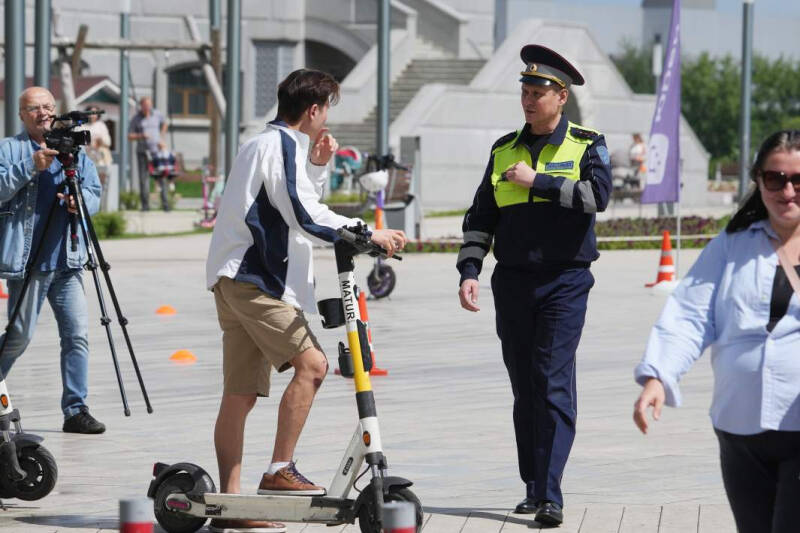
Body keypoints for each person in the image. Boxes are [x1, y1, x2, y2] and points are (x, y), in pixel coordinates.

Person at [205, 69, 407, 533]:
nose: (326, 119)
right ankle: (279, 470)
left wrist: (316, 166)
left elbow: (291, 203)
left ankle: (230, 506)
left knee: (238, 395)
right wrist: (366, 232)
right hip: (257, 280)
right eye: (327, 109)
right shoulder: (277, 145)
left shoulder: (269, 145)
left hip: (238, 279)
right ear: (314, 110)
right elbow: (302, 213)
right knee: (313, 366)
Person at [456, 45, 612, 526]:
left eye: (538, 92)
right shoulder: (503, 148)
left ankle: (550, 494)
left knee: (551, 381)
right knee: (524, 385)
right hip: (514, 282)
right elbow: (481, 216)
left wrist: (537, 180)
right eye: (524, 91)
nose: (529, 99)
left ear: (561, 97)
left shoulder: (587, 143)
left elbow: (597, 197)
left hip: (565, 280)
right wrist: (469, 270)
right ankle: (532, 485)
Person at [633, 130, 800, 533]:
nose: (788, 191)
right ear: (758, 180)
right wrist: (659, 375)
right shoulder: (731, 246)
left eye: (799, 180)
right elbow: (690, 314)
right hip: (738, 425)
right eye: (775, 179)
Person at [0, 86, 105, 434]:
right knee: (19, 335)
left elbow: (94, 193)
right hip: (28, 263)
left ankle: (76, 410)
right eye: (33, 108)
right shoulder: (10, 149)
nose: (42, 112)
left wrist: (80, 203)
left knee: (77, 336)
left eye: (47, 106)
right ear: (22, 115)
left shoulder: (73, 149)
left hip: (68, 261)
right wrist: (31, 166)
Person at [128, 96, 167, 211]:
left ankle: (165, 204)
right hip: (143, 152)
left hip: (156, 151)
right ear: (141, 106)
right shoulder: (136, 118)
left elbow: (165, 124)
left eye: (149, 105)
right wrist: (141, 135)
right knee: (143, 178)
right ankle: (145, 205)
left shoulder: (157, 114)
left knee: (161, 177)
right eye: (145, 105)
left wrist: (161, 137)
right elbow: (129, 136)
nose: (147, 107)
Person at [150, 141, 177, 211]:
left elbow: (173, 162)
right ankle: (158, 184)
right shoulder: (157, 155)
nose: (161, 148)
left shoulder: (168, 154)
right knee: (161, 184)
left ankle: (171, 183)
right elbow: (154, 163)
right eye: (160, 147)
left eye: (162, 146)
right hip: (160, 171)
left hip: (169, 170)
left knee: (167, 185)